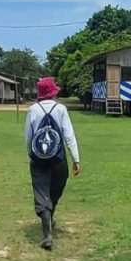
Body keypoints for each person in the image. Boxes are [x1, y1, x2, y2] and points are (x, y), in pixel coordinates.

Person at [24, 77, 80, 250]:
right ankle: (49, 221)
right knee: (55, 190)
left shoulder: (32, 110)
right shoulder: (61, 108)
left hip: (38, 159)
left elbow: (28, 136)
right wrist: (75, 159)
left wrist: (31, 154)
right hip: (59, 159)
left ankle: (47, 233)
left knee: (42, 193)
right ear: (53, 92)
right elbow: (69, 135)